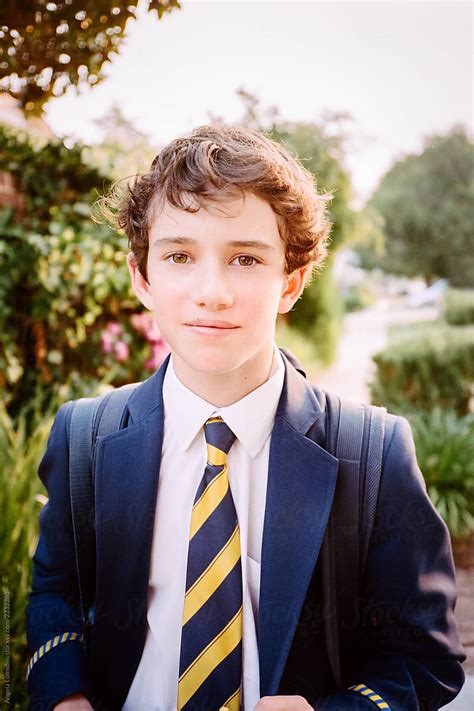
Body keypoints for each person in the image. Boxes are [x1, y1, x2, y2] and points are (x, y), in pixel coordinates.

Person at [26, 125, 465, 711]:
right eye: (180, 255)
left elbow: (425, 659)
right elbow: (56, 593)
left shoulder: (375, 453)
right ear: (142, 277)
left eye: (245, 258)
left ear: (291, 281)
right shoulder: (86, 437)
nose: (212, 292)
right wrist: (65, 694)